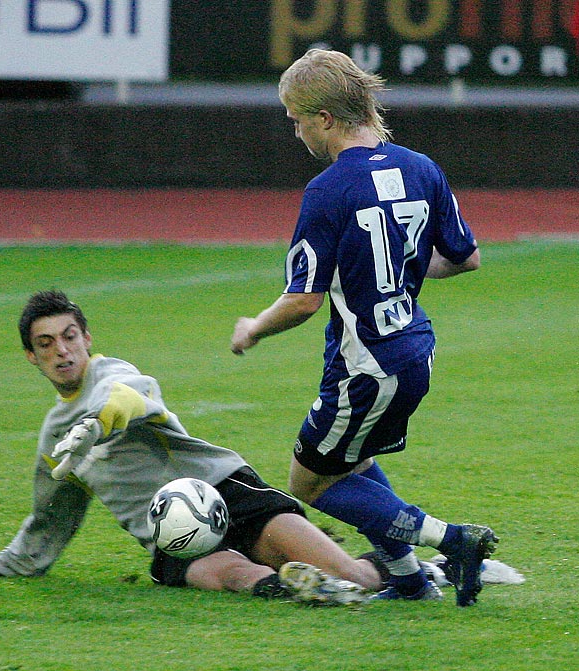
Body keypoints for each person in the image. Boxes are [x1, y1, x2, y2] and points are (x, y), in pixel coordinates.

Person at [0, 289, 386, 606]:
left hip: (227, 494)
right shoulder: (54, 441)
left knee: (356, 576)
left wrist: (97, 424)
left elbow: (129, 398)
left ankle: (419, 571)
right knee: (234, 575)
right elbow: (48, 523)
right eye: (46, 343)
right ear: (31, 357)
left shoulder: (113, 374)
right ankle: (297, 589)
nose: (61, 351)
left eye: (69, 337)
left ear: (86, 339)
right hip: (172, 538)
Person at [230, 49, 498, 606]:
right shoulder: (421, 167)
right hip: (414, 351)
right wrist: (395, 269)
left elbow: (303, 301)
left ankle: (452, 540)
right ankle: (409, 581)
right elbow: (465, 257)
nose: (295, 128)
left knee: (310, 482)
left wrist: (254, 328)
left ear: (325, 119)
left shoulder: (328, 190)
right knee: (356, 462)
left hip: (367, 365)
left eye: (296, 117)